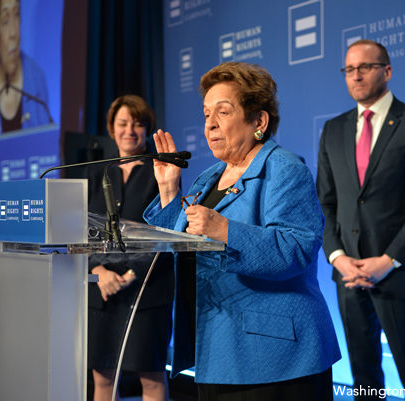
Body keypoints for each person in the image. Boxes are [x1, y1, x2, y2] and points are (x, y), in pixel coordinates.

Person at [144, 61, 340, 401]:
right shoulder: (209, 178)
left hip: (275, 357)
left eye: (223, 111)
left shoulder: (285, 170)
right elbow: (180, 243)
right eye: (206, 114)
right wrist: (168, 191)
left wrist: (225, 231)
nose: (210, 124)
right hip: (218, 347)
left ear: (259, 121)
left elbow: (296, 249)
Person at [316, 39, 405, 400]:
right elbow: (325, 203)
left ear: (387, 70)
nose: (356, 75)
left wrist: (389, 259)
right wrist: (338, 258)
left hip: (400, 272)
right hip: (349, 275)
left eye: (365, 67)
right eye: (349, 69)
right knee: (363, 374)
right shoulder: (333, 129)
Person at [86, 95, 174, 401]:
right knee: (103, 380)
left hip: (146, 289)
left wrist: (130, 275)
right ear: (112, 129)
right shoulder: (96, 173)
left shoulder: (160, 170)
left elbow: (167, 230)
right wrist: (97, 271)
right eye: (122, 123)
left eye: (138, 124)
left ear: (148, 129)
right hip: (102, 292)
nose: (130, 130)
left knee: (151, 378)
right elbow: (81, 231)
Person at [0, 0, 51, 139]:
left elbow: (47, 151)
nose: (13, 32)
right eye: (6, 21)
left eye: (17, 15)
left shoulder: (37, 78)